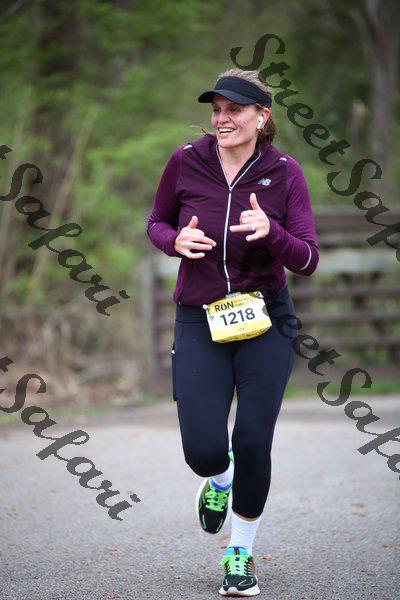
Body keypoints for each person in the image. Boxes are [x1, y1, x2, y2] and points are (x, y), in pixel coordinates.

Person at [146, 68, 319, 597]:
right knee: (204, 449)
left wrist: (273, 235)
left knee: (252, 439)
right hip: (199, 317)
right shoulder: (186, 160)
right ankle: (218, 479)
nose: (222, 119)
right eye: (216, 110)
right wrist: (175, 242)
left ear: (261, 117)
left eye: (234, 110)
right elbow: (156, 222)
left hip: (266, 319)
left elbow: (308, 258)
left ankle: (239, 554)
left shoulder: (284, 172)